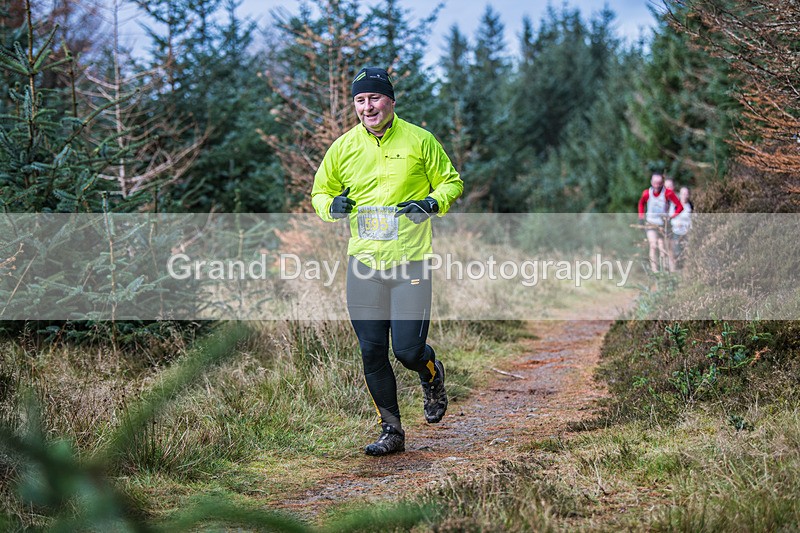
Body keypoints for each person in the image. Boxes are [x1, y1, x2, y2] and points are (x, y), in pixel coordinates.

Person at [311, 67, 464, 456]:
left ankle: (432, 375)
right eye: (360, 100)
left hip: (410, 261)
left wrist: (431, 202)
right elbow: (320, 192)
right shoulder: (343, 147)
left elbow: (451, 181)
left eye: (375, 98)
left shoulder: (420, 139)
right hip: (364, 264)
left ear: (390, 101)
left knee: (408, 351)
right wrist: (332, 206)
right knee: (372, 351)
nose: (368, 107)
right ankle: (391, 430)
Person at [638, 172, 683, 272]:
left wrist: (671, 217)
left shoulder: (668, 193)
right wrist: (641, 217)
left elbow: (680, 207)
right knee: (653, 245)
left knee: (664, 250)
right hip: (651, 223)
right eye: (655, 183)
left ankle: (668, 271)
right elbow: (641, 204)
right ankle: (655, 272)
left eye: (659, 183)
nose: (657, 185)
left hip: (663, 225)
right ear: (651, 182)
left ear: (662, 183)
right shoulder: (646, 193)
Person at [670, 186, 693, 265]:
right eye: (683, 194)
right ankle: (676, 267)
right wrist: (677, 223)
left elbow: (693, 219)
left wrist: (689, 228)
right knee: (676, 251)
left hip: (687, 232)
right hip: (676, 232)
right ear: (679, 194)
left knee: (686, 251)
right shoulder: (674, 205)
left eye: (686, 194)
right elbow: (671, 217)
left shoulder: (690, 206)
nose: (684, 196)